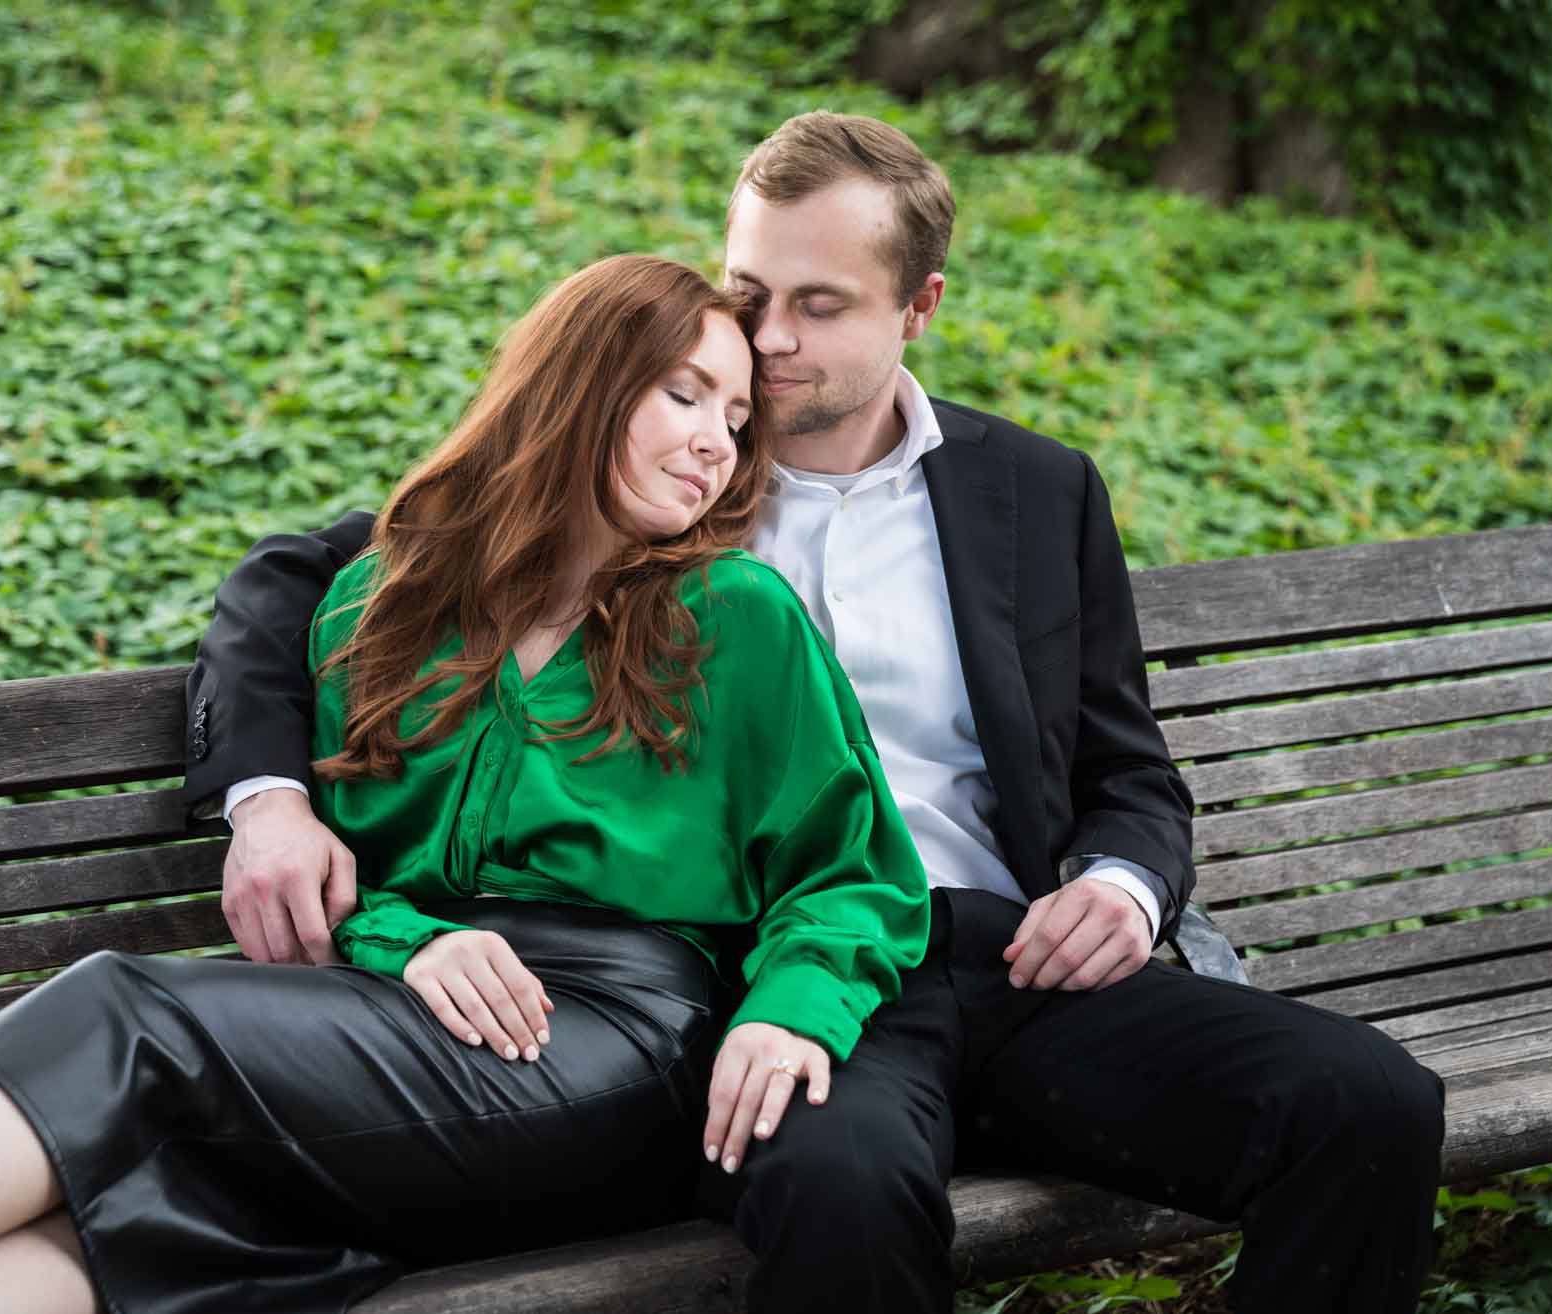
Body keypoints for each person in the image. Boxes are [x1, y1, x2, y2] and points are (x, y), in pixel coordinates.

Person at [184, 112, 1447, 1314]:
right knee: (840, 1191)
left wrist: (1120, 885)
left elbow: (1126, 770)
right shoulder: (659, 467)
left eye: (819, 305)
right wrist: (269, 800)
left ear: (919, 305)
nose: (770, 339)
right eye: (749, 295)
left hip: (1006, 960)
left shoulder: (1035, 491)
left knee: (1366, 1103)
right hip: (774, 971)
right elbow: (306, 579)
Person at [0, 254, 933, 1314]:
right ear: (576, 384)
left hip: (618, 1046)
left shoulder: (734, 617)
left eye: (735, 416)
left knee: (128, 1011)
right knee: (152, 1214)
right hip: (418, 1029)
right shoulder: (381, 607)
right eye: (683, 394)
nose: (715, 442)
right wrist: (410, 941)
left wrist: (793, 1012)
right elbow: (359, 875)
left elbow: (853, 873)